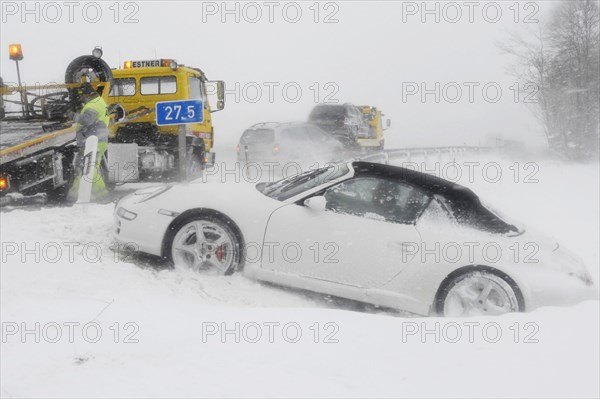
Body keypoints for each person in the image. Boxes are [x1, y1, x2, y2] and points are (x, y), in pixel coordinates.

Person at [67, 82, 110, 202]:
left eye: (81, 95)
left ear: (86, 94)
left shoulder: (93, 104)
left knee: (90, 169)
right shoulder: (98, 101)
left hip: (93, 141)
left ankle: (102, 196)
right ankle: (74, 195)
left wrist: (71, 115)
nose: (80, 98)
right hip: (96, 140)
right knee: (84, 168)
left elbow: (87, 120)